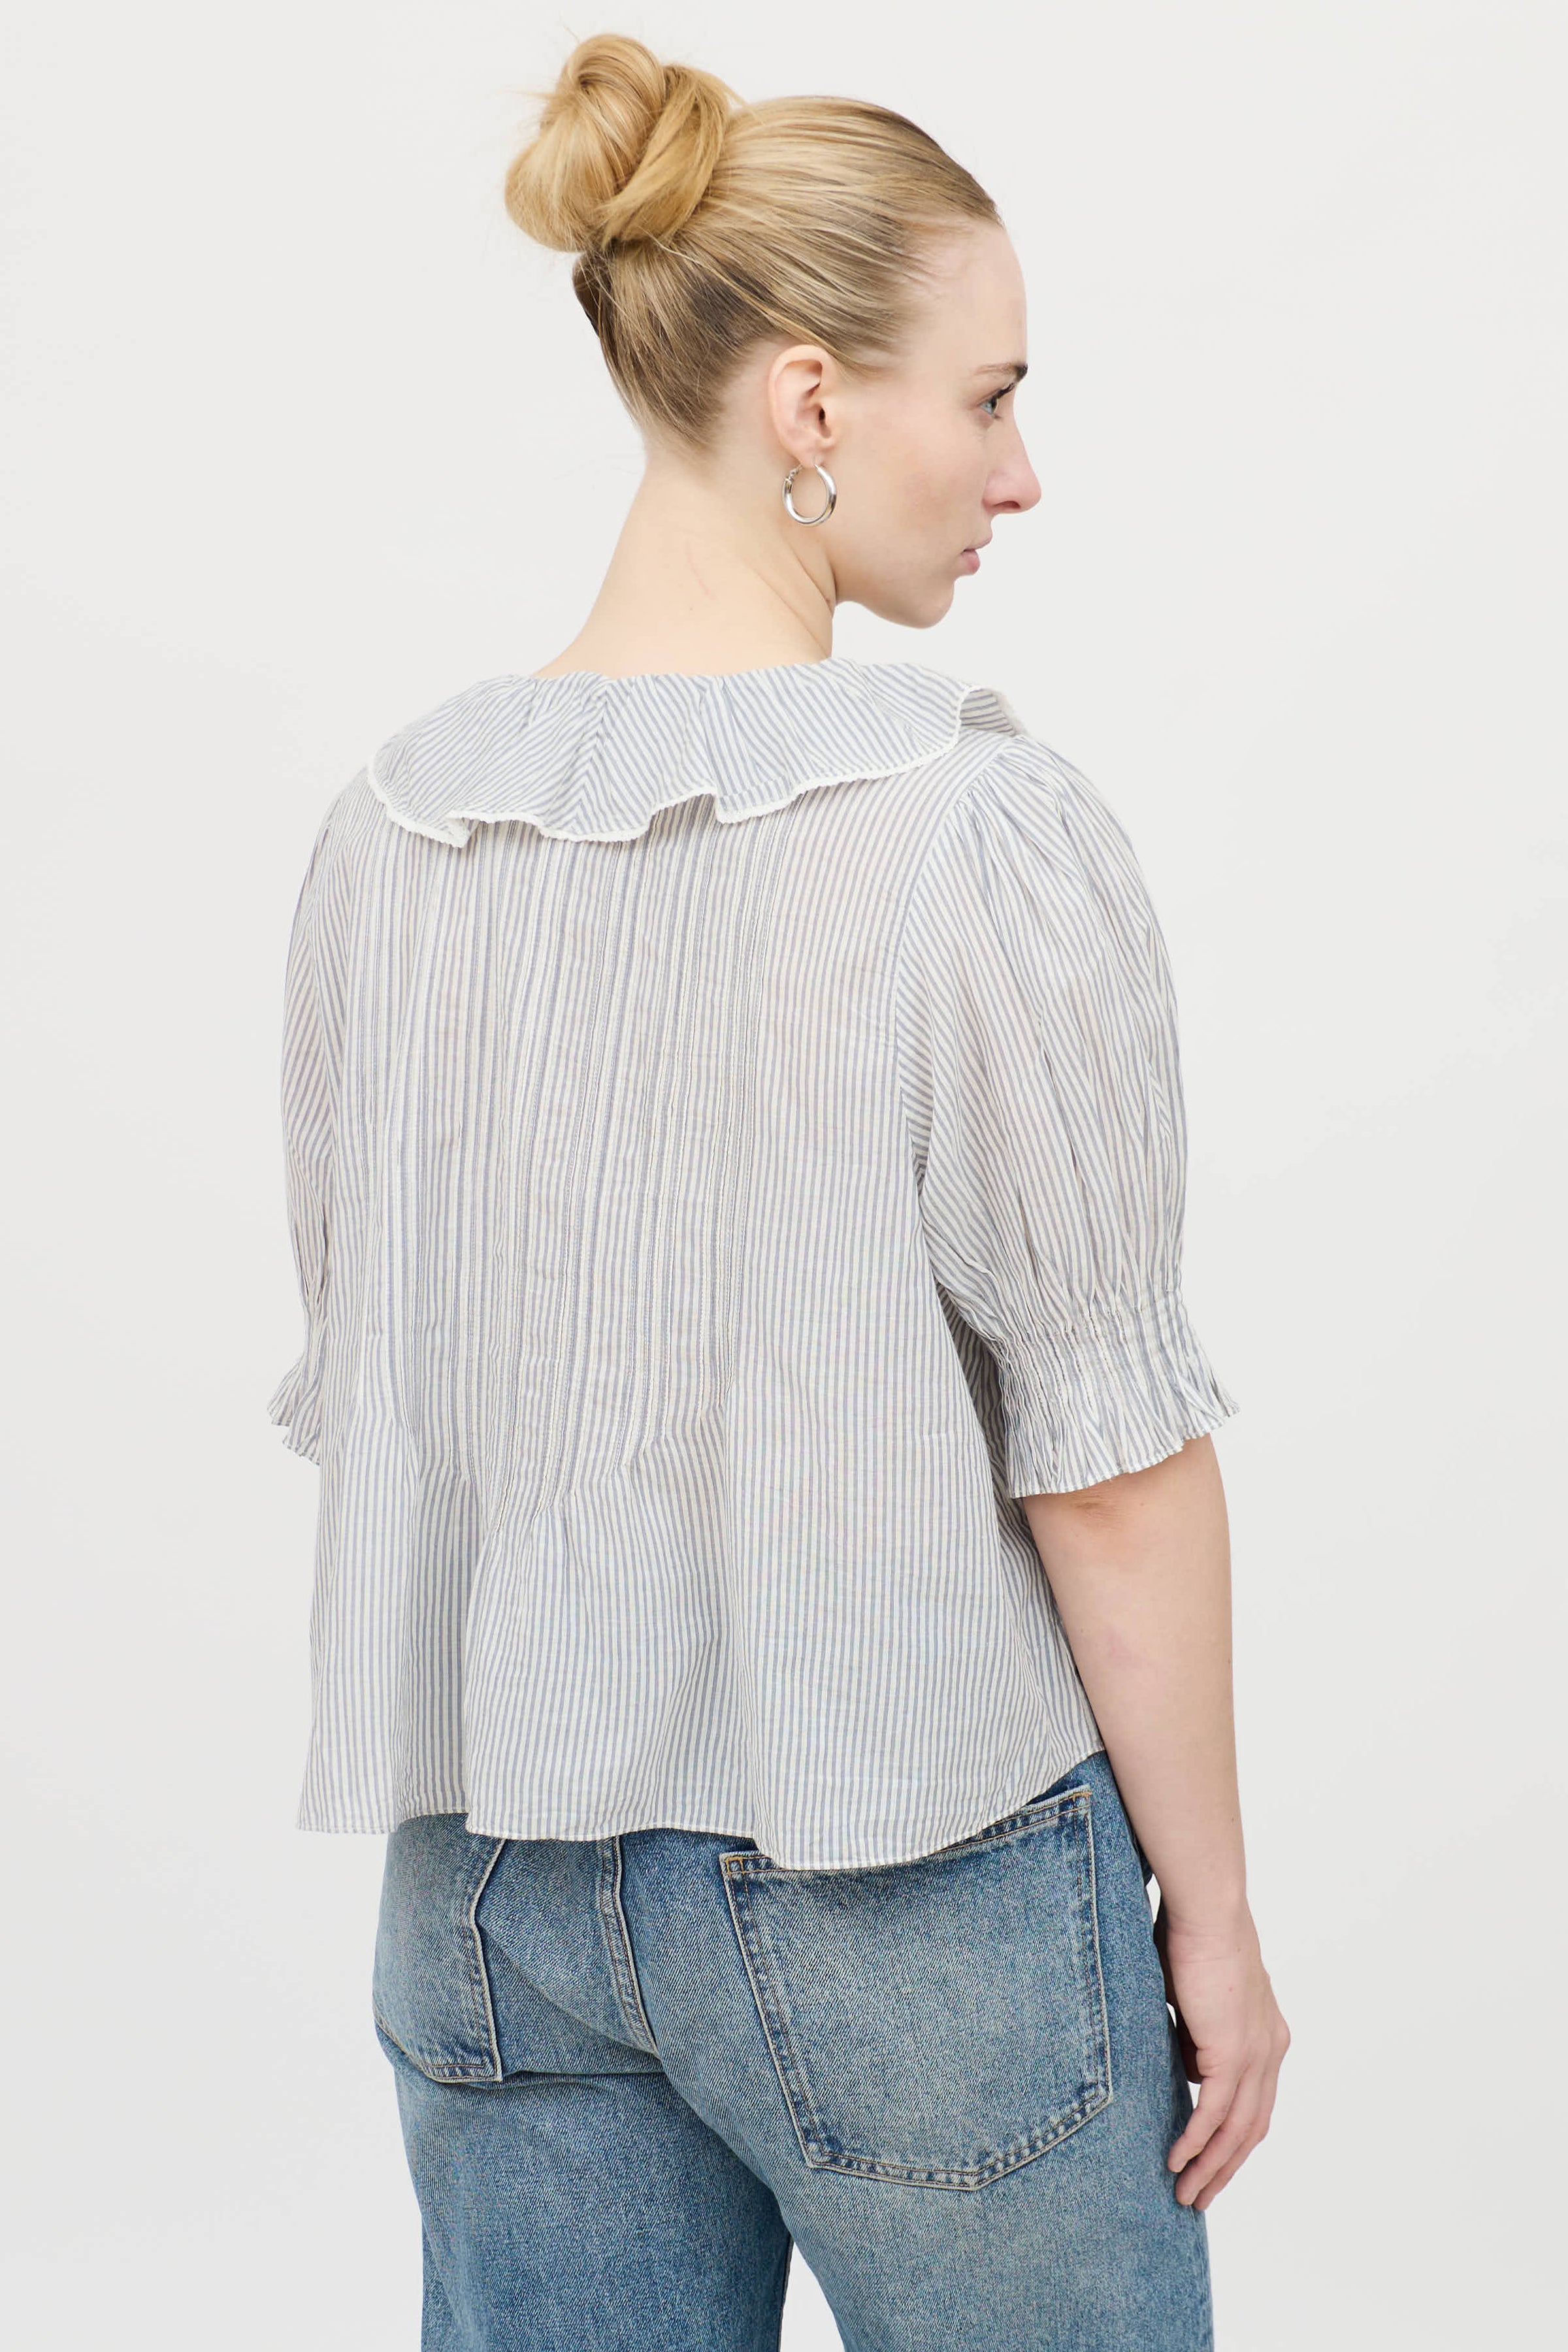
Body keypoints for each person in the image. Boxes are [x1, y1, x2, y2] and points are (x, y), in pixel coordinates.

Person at [267, 31, 1289, 2351]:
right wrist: (1212, 1921)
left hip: (493, 1899)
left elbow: (386, 1379)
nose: (1021, 473)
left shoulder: (390, 835)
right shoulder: (974, 834)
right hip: (918, 1903)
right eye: (990, 399)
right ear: (811, 400)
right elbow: (1108, 1464)